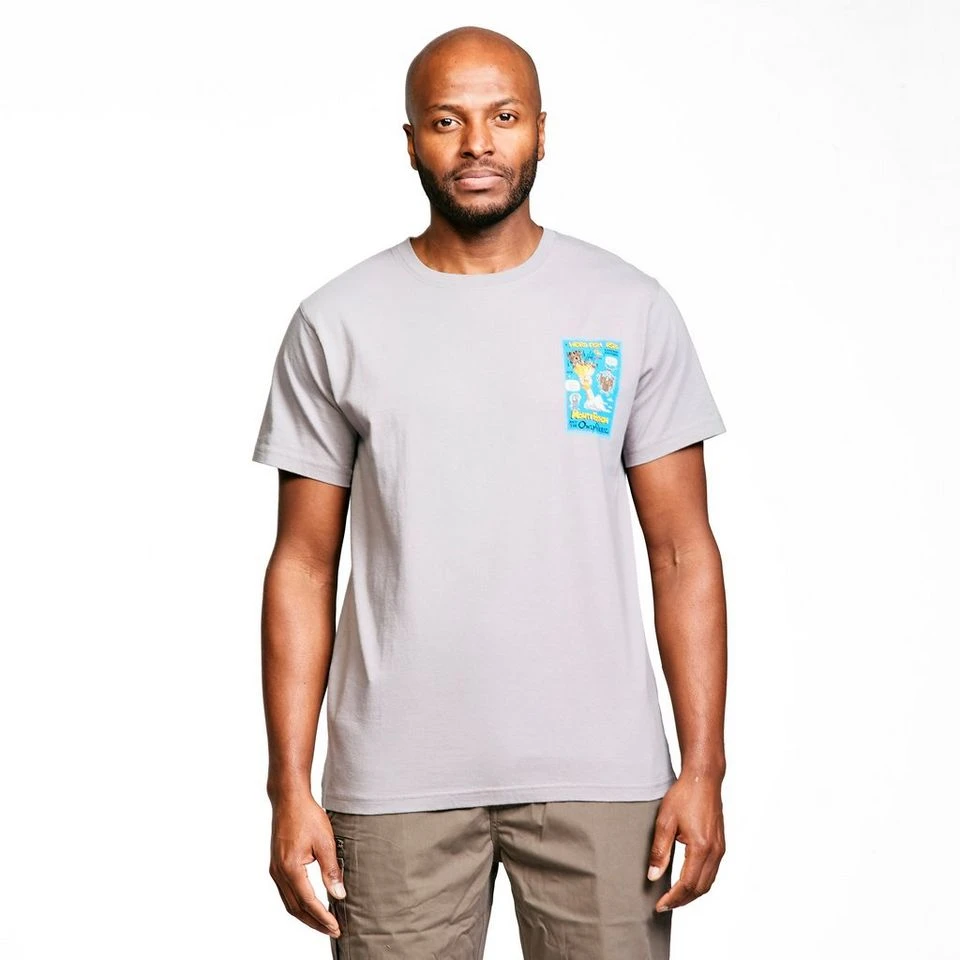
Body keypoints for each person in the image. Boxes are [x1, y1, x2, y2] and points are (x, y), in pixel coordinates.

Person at [251, 24, 728, 960]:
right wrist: (289, 786)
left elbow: (682, 550)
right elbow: (302, 564)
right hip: (393, 783)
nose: (477, 144)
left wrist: (704, 767)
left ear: (542, 131)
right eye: (447, 121)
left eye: (503, 118)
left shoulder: (624, 307)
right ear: (411, 142)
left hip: (604, 776)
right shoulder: (337, 322)